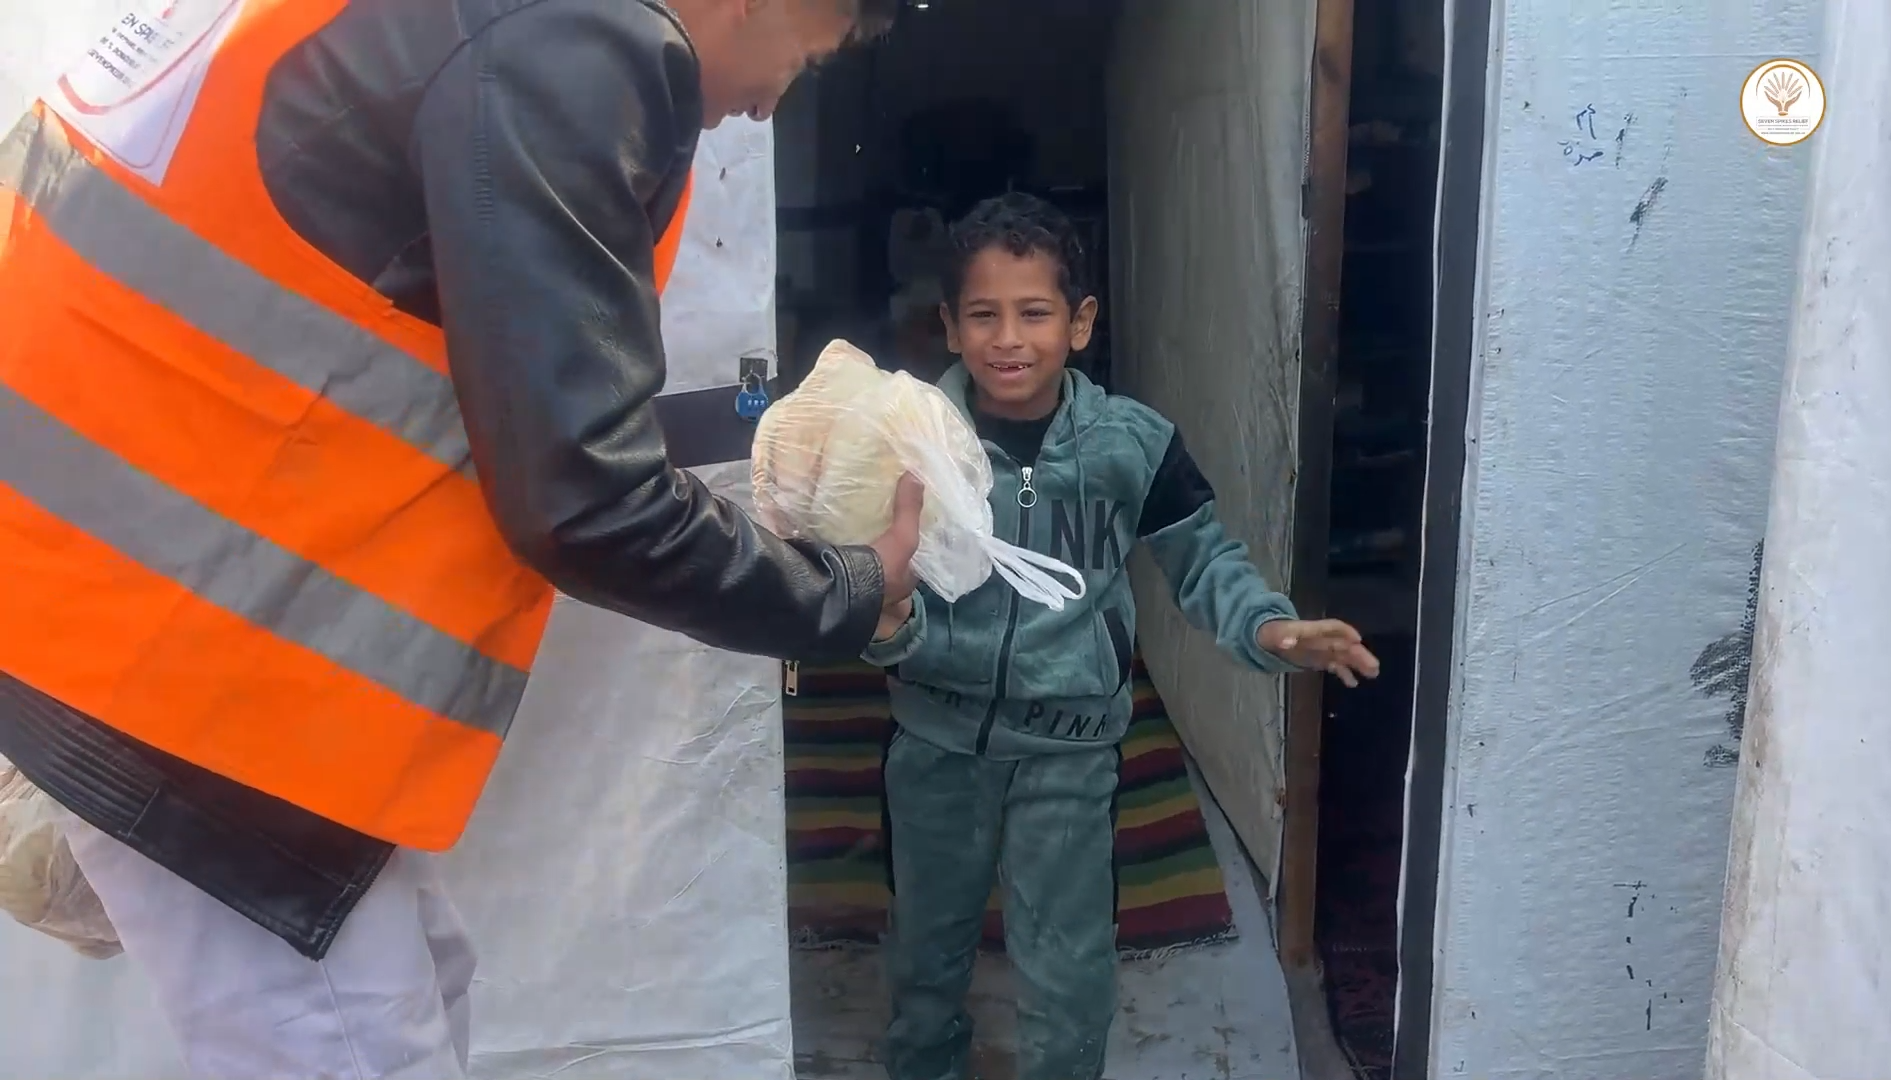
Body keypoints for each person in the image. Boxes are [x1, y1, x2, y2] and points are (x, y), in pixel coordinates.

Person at [0, 0, 906, 1075]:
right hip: (188, 675)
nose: (769, 106)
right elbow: (586, 502)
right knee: (366, 1047)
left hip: (134, 617)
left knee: (428, 982)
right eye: (805, 55)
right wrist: (846, 593)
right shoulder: (563, 42)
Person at [863, 193, 1382, 1080]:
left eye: (1035, 313)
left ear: (1080, 322)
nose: (1008, 339)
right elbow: (869, 574)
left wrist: (1269, 625)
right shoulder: (907, 442)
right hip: (934, 747)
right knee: (922, 957)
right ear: (948, 326)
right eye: (983, 315)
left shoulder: (1130, 446)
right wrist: (882, 627)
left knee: (1069, 978)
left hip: (1070, 754)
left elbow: (1204, 560)